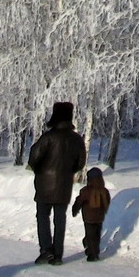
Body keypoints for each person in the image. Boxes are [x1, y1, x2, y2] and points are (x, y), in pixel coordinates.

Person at [26, 101, 84, 264]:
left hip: (45, 184)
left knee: (43, 216)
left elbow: (34, 158)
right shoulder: (77, 139)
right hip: (64, 185)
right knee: (60, 218)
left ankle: (46, 250)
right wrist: (68, 171)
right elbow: (80, 163)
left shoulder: (48, 137)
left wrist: (39, 170)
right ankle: (58, 254)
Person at [70, 165, 110, 261]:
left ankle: (92, 254)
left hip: (88, 217)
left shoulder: (86, 191)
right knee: (96, 235)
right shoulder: (104, 191)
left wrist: (75, 209)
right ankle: (94, 251)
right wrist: (103, 210)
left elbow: (79, 201)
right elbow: (107, 202)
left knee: (90, 234)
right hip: (100, 217)